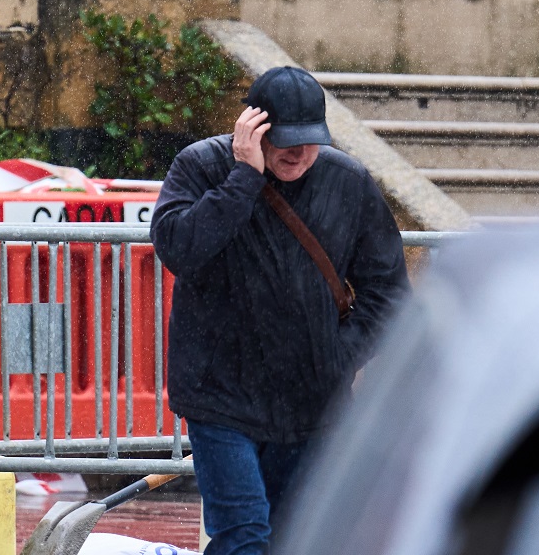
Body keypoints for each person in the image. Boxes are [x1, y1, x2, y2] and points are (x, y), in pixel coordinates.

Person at [150, 66, 410, 555]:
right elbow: (179, 249)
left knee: (298, 540)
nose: (299, 153)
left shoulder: (347, 181)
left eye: (311, 140)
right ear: (252, 128)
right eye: (285, 140)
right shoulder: (201, 167)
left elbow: (389, 291)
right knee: (244, 537)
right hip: (220, 395)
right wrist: (243, 179)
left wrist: (339, 355)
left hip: (311, 401)